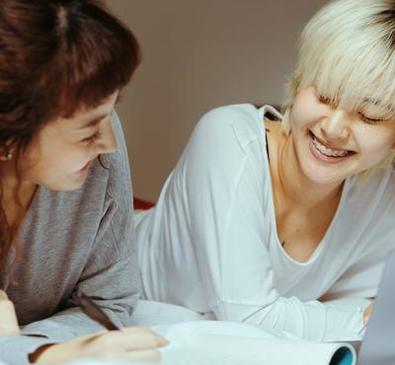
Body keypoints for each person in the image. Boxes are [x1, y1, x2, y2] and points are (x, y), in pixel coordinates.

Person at [135, 0, 395, 342]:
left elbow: (376, 305)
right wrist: (365, 321)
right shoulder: (227, 138)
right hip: (124, 302)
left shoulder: (381, 192)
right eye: (325, 97)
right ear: (300, 82)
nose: (333, 128)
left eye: (369, 116)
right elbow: (250, 315)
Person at [0, 1, 167, 364]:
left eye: (112, 110)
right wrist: (42, 355)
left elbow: (111, 299)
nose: (109, 144)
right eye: (88, 131)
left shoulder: (102, 156)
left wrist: (46, 346)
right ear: (9, 138)